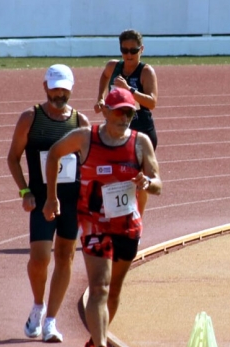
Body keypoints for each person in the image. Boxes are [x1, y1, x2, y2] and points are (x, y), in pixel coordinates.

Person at [43, 87, 162, 347]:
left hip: (127, 226)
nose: (124, 117)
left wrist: (147, 182)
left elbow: (159, 182)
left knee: (114, 290)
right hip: (94, 224)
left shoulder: (140, 143)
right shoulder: (86, 138)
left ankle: (93, 346)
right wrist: (51, 196)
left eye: (130, 113)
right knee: (99, 287)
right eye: (119, 111)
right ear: (106, 111)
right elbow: (54, 154)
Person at [7, 64, 90, 343]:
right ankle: (38, 306)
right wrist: (25, 192)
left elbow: (89, 164)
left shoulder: (80, 122)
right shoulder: (31, 118)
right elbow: (12, 158)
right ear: (45, 87)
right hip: (42, 200)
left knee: (65, 256)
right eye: (55, 88)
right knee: (39, 258)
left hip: (71, 200)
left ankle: (52, 322)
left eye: (64, 89)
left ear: (71, 88)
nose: (59, 94)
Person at [94, 29, 159, 217]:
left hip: (141, 132)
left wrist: (129, 89)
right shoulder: (113, 66)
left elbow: (152, 102)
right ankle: (115, 216)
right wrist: (101, 98)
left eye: (133, 50)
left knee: (140, 180)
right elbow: (104, 76)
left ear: (142, 50)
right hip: (117, 131)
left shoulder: (146, 72)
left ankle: (138, 219)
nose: (129, 55)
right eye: (125, 50)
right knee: (111, 175)